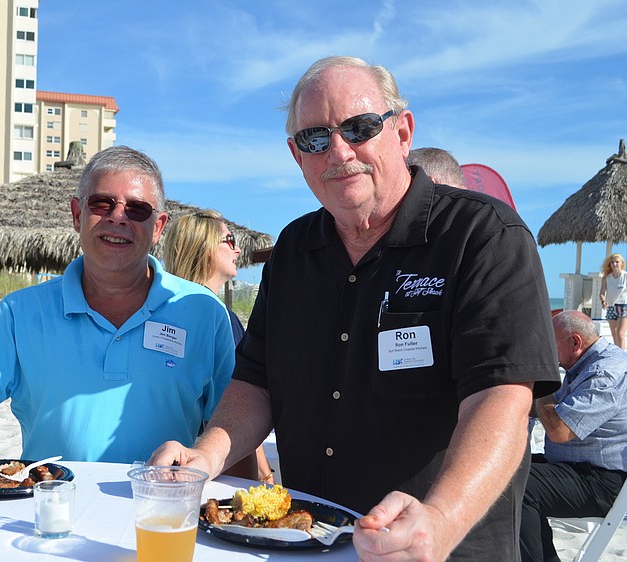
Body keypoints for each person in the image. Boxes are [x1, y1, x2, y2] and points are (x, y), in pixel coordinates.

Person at [149, 56, 560, 561]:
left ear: (402, 132)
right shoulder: (294, 250)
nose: (339, 151)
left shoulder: (484, 236)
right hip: (307, 540)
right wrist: (203, 457)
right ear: (297, 156)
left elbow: (502, 401)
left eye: (359, 127)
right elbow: (257, 381)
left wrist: (441, 520)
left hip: (437, 548)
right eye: (315, 138)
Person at [0, 146, 236, 479]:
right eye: (102, 204)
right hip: (47, 511)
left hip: (161, 511)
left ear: (158, 228)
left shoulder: (203, 312)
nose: (118, 218)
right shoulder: (20, 313)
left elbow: (231, 426)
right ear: (78, 215)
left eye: (136, 209)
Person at [162, 209, 275, 483]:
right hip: (210, 470)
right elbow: (239, 404)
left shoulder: (163, 314)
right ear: (203, 247)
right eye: (229, 240)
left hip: (176, 465)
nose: (237, 250)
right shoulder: (218, 317)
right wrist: (264, 476)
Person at [521, 310, 627, 562]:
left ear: (575, 342)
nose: (545, 351)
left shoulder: (605, 372)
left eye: (549, 344)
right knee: (506, 468)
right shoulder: (584, 364)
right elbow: (545, 411)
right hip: (579, 468)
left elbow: (559, 430)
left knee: (517, 484)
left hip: (604, 482)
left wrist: (540, 381)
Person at [599, 253, 627, 349]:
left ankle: (623, 357)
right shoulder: (606, 278)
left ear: (622, 263)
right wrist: (603, 301)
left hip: (624, 306)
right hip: (611, 306)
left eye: (617, 262)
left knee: (620, 333)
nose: (614, 264)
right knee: (614, 334)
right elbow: (602, 293)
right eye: (612, 262)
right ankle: (617, 354)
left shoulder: (625, 276)